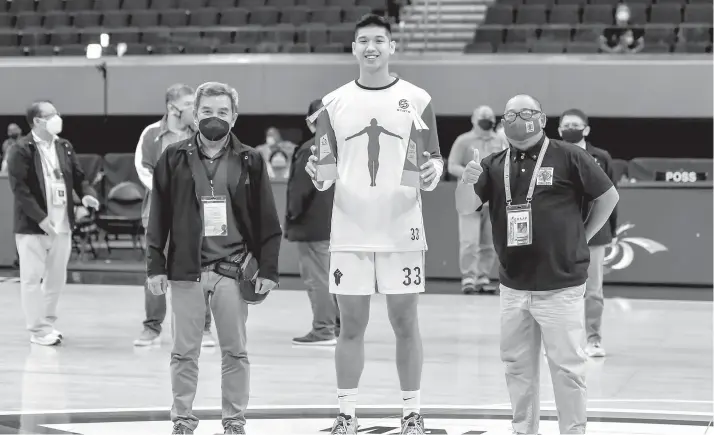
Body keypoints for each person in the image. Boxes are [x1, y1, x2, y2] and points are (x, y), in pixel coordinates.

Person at [305, 14, 443, 435]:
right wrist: (316, 172)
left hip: (402, 229)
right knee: (351, 327)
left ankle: (412, 414)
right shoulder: (332, 103)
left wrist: (434, 171)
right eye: (363, 40)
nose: (371, 47)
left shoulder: (417, 99)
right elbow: (326, 169)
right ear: (353, 48)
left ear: (392, 47)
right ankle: (346, 414)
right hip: (350, 230)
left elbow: (432, 156)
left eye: (379, 40)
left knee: (406, 324)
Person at [455, 95, 619, 435]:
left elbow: (608, 196)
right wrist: (465, 180)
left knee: (567, 369)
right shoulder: (494, 163)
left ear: (542, 118)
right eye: (512, 113)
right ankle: (523, 430)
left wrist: (583, 235)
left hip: (560, 285)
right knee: (517, 367)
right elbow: (465, 207)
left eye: (526, 111)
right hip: (514, 287)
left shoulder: (570, 155)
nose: (519, 118)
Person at [146, 82, 282, 435]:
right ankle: (182, 420)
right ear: (195, 114)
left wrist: (268, 267)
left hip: (233, 270)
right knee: (183, 353)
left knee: (234, 352)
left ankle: (234, 421)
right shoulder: (172, 157)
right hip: (185, 270)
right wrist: (154, 266)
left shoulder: (250, 159)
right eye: (207, 111)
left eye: (222, 112)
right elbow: (158, 218)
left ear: (234, 117)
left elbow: (268, 218)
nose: (214, 118)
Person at [7, 101, 100, 346]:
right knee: (31, 279)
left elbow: (79, 178)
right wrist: (40, 218)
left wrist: (87, 194)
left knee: (56, 278)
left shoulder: (64, 146)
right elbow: (20, 190)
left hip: (62, 224)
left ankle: (47, 323)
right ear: (37, 121)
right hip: (33, 226)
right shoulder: (21, 149)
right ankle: (37, 330)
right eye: (52, 115)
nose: (58, 117)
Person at [133, 84, 216, 348]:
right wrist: (165, 192)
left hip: (196, 216)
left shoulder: (203, 133)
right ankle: (152, 327)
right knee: (155, 269)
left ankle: (202, 328)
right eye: (190, 103)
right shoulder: (151, 134)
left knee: (201, 271)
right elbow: (142, 167)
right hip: (158, 213)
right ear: (172, 107)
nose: (195, 109)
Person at [558, 108, 617, 358]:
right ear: (559, 130)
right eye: (567, 125)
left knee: (593, 290)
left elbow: (611, 197)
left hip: (595, 234)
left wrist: (609, 231)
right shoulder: (551, 155)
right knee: (558, 291)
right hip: (560, 233)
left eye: (576, 124)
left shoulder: (601, 157)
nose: (571, 128)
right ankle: (560, 341)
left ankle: (593, 339)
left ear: (586, 129)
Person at [286, 99, 340, 346]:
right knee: (334, 277)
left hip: (313, 225)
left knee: (317, 279)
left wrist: (292, 217)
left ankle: (323, 329)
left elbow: (300, 190)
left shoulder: (311, 148)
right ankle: (338, 325)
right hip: (336, 223)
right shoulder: (342, 147)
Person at [447, 106, 507, 294]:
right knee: (469, 242)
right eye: (482, 117)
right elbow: (451, 166)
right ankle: (468, 277)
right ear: (473, 119)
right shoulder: (463, 140)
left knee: (490, 243)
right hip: (469, 198)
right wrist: (467, 172)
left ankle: (483, 277)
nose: (486, 119)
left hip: (493, 199)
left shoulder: (500, 140)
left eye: (489, 117)